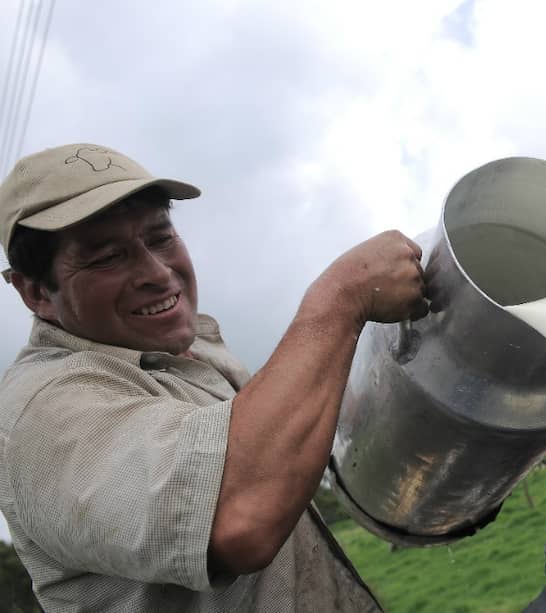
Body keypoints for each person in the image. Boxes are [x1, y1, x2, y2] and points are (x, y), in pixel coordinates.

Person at [0, 143, 429, 611]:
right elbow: (237, 518)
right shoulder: (41, 413)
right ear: (37, 292)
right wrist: (340, 299)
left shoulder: (185, 354)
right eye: (106, 258)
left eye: (160, 237)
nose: (157, 272)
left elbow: (277, 451)